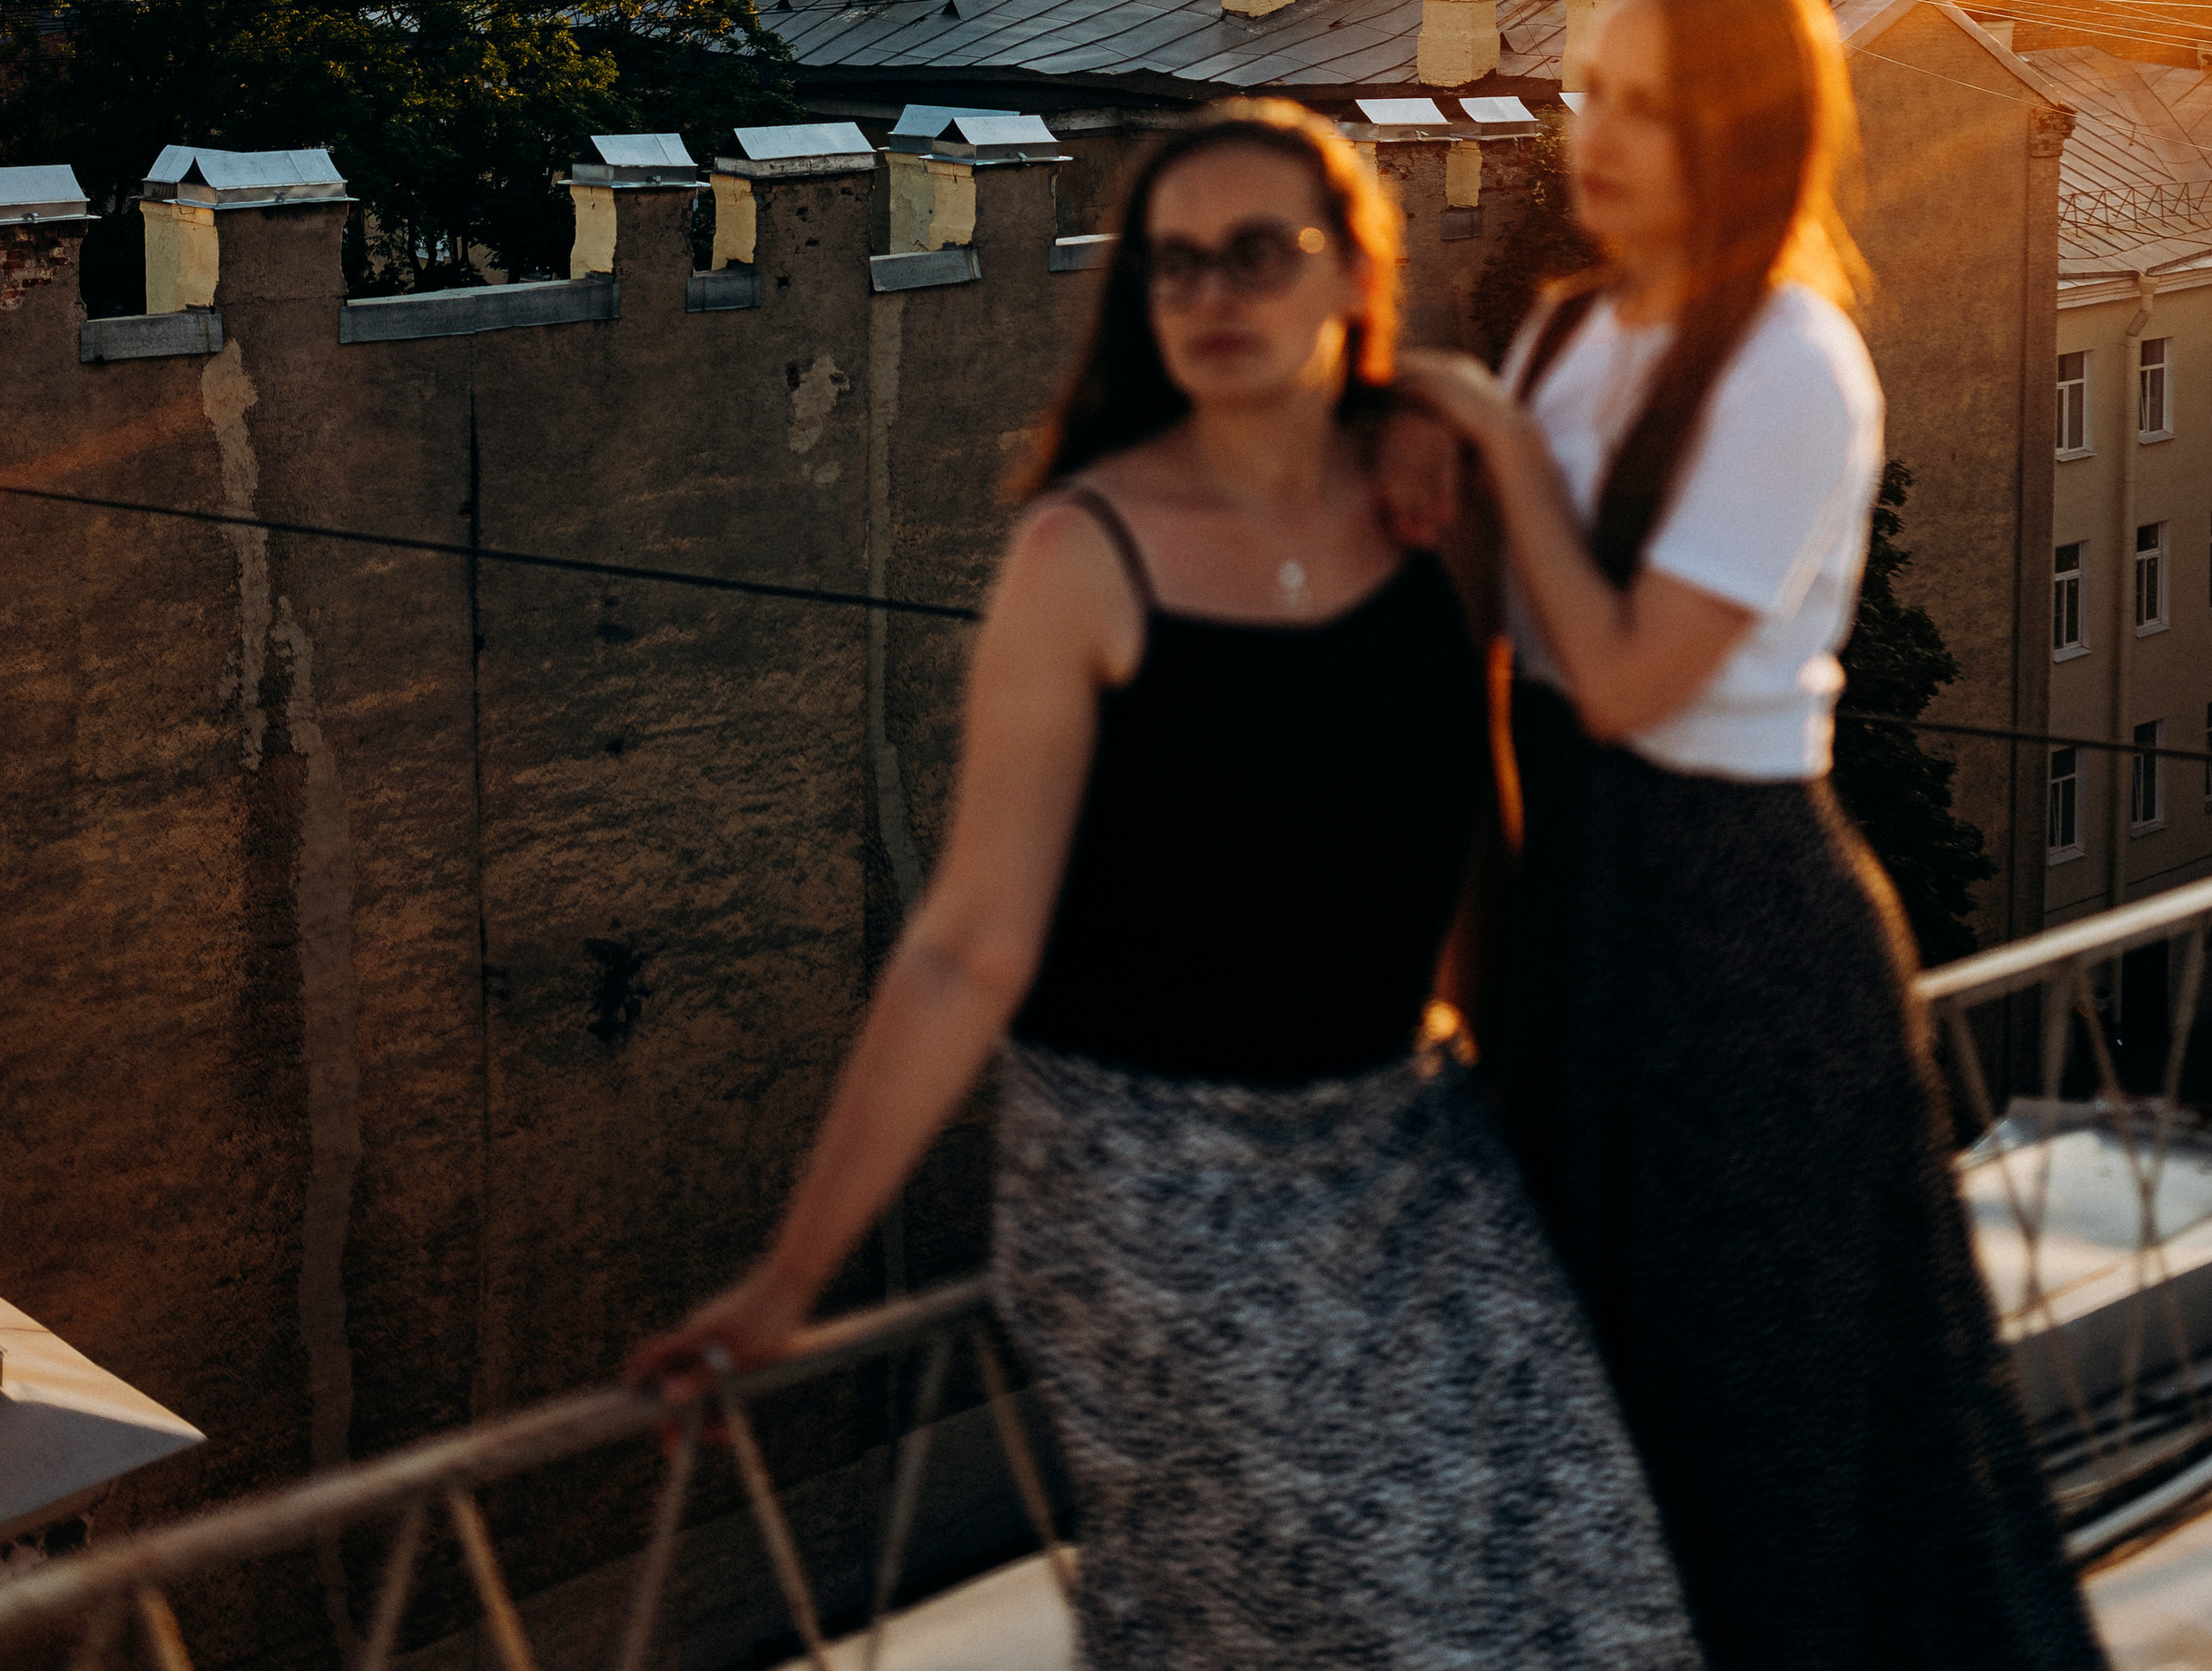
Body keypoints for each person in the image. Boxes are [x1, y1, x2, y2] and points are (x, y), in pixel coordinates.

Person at [631, 99, 1701, 1670]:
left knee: (1594, 1589)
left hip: (1405, 1148)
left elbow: (1482, 832)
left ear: (1352, 274)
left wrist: (1528, 1109)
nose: (1210, 295)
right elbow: (968, 948)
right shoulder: (1085, 555)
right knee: (1365, 1615)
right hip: (1151, 1180)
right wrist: (790, 1277)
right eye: (1174, 264)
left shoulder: (1431, 515)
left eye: (1259, 254)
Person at [1396, 0, 2104, 1671]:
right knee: (1592, 1424)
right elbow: (1504, 654)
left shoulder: (1794, 360)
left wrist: (1492, 444)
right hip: (1578, 922)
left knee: (1767, 1441)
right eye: (1591, 91)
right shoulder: (1573, 327)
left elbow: (1629, 678)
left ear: (1755, 133)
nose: (1602, 134)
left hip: (1730, 937)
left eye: (1655, 103)